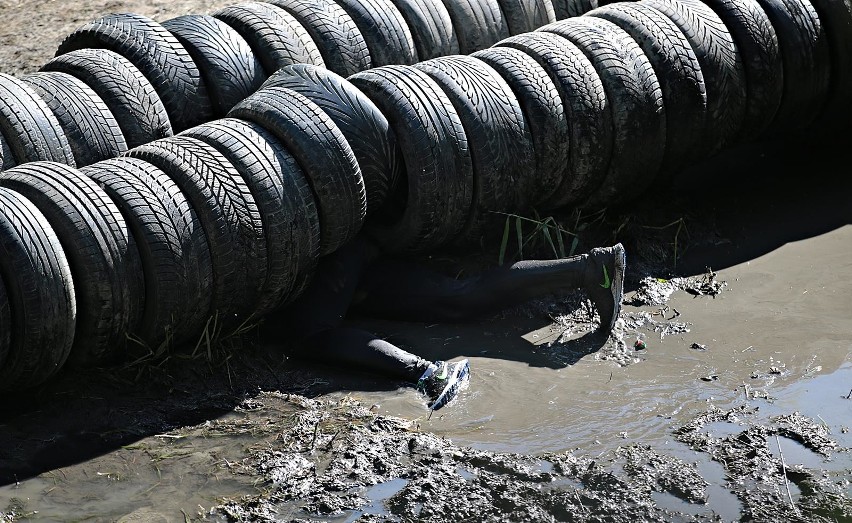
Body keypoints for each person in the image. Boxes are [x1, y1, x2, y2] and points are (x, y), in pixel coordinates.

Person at [282, 237, 626, 411]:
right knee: (456, 300)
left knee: (310, 334)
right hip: (353, 241)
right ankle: (589, 269)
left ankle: (429, 373)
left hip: (329, 249)